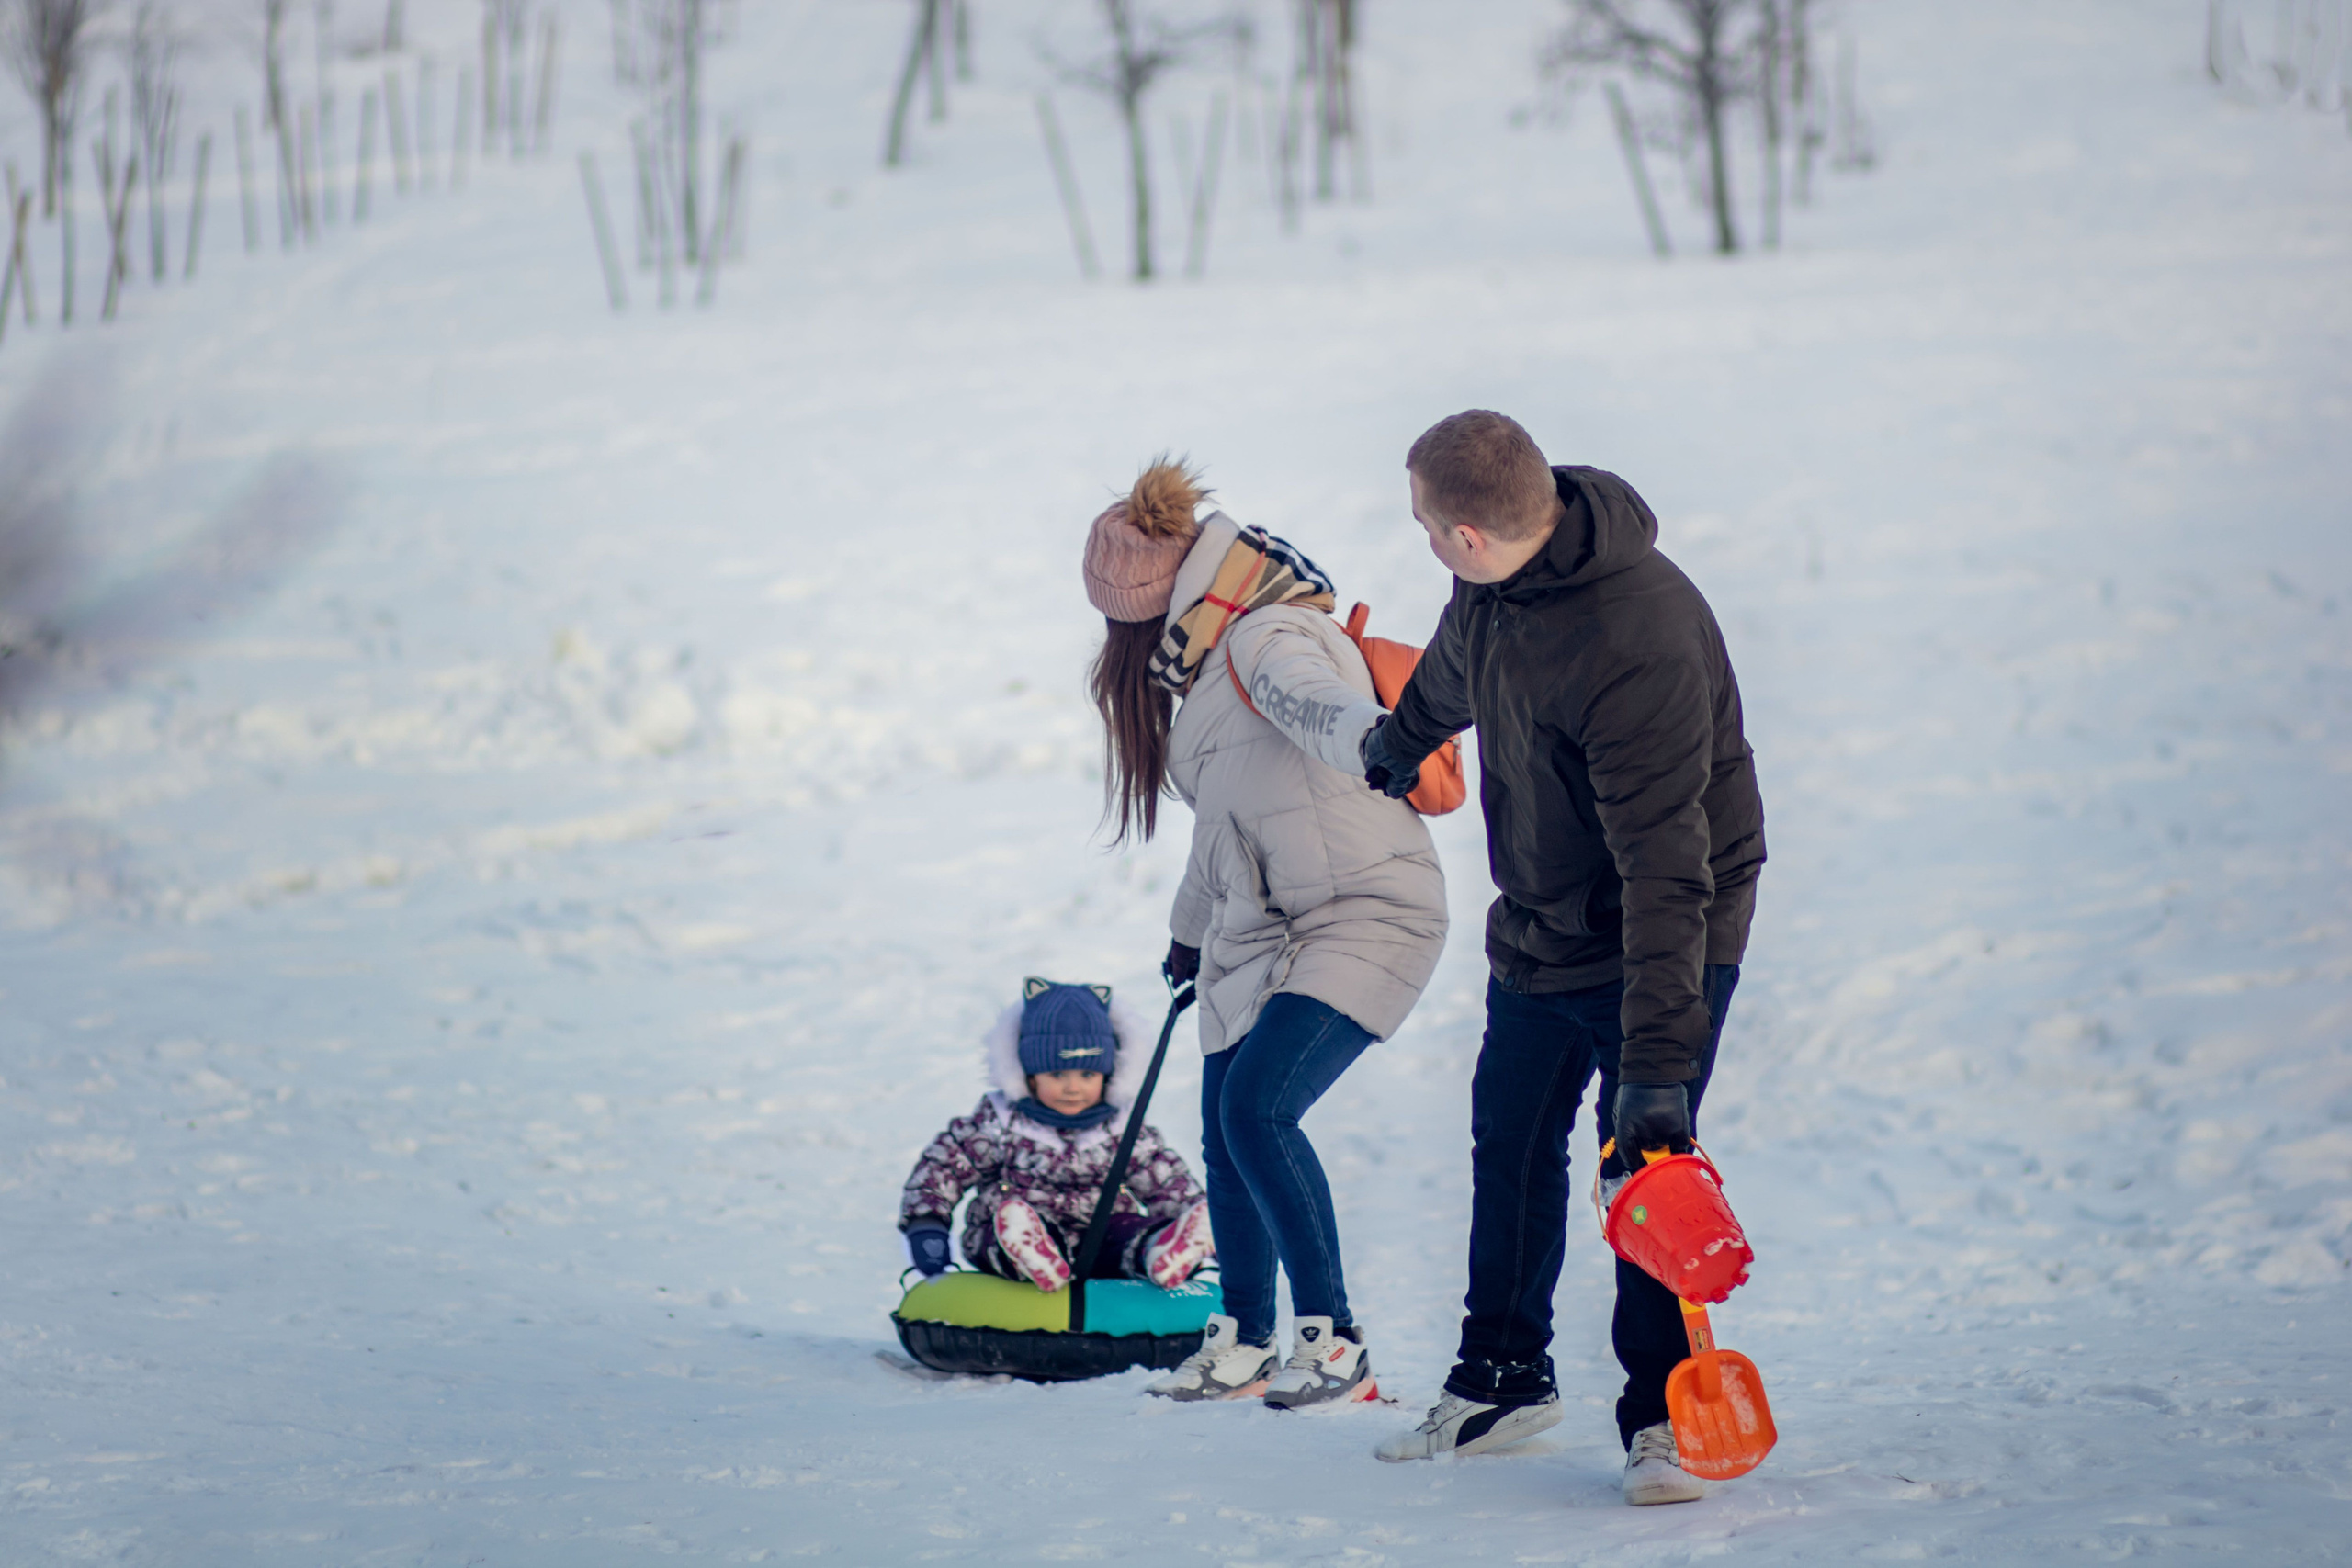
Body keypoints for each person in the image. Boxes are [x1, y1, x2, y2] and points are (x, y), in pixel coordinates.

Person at [1362, 412, 1765, 1506]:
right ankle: (1500, 1376)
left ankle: (1663, 1422)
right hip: (1544, 919)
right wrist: (1404, 738)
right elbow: (1460, 663)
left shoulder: (1637, 637)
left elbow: (1668, 872)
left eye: (1420, 525)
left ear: (1465, 534)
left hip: (1664, 930)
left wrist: (1656, 1065)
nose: (1420, 540)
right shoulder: (1495, 582)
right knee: (1512, 1136)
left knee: (1642, 1174)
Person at [1078, 458, 1447, 1408]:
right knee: (1222, 1129)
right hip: (1261, 929)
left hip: (1364, 909)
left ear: (1147, 611)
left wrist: (1371, 741)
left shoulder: (1265, 636)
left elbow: (1310, 704)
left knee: (1258, 1111)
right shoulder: (1199, 678)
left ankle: (1333, 1340)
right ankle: (1243, 1337)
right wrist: (1186, 935)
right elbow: (1222, 834)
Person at [899, 978, 1214, 1292]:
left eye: (1087, 1075)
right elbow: (943, 1168)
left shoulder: (1124, 1130)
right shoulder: (999, 1123)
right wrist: (927, 1227)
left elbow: (1168, 1182)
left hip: (1103, 1239)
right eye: (1057, 1074)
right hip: (1016, 1228)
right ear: (1029, 1076)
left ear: (1108, 1076)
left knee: (1129, 1231)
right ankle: (1030, 1256)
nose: (1072, 1088)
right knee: (998, 1232)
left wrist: (1210, 1226)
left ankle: (1161, 1250)